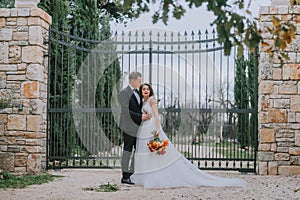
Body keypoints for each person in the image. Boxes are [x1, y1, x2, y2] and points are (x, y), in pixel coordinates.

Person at [130, 83, 247, 188]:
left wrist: (157, 131)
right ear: (141, 91)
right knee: (148, 153)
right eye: (143, 89)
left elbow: (156, 116)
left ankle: (156, 177)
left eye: (148, 89)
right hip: (144, 127)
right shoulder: (144, 101)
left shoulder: (152, 100)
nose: (146, 91)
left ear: (150, 91)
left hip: (152, 127)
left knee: (158, 153)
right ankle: (148, 175)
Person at [119, 72, 151, 185]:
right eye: (139, 81)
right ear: (132, 81)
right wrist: (140, 116)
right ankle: (125, 176)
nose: (140, 83)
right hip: (128, 127)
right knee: (127, 150)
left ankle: (132, 174)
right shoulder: (124, 93)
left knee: (137, 151)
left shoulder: (139, 93)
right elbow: (126, 111)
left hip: (139, 127)